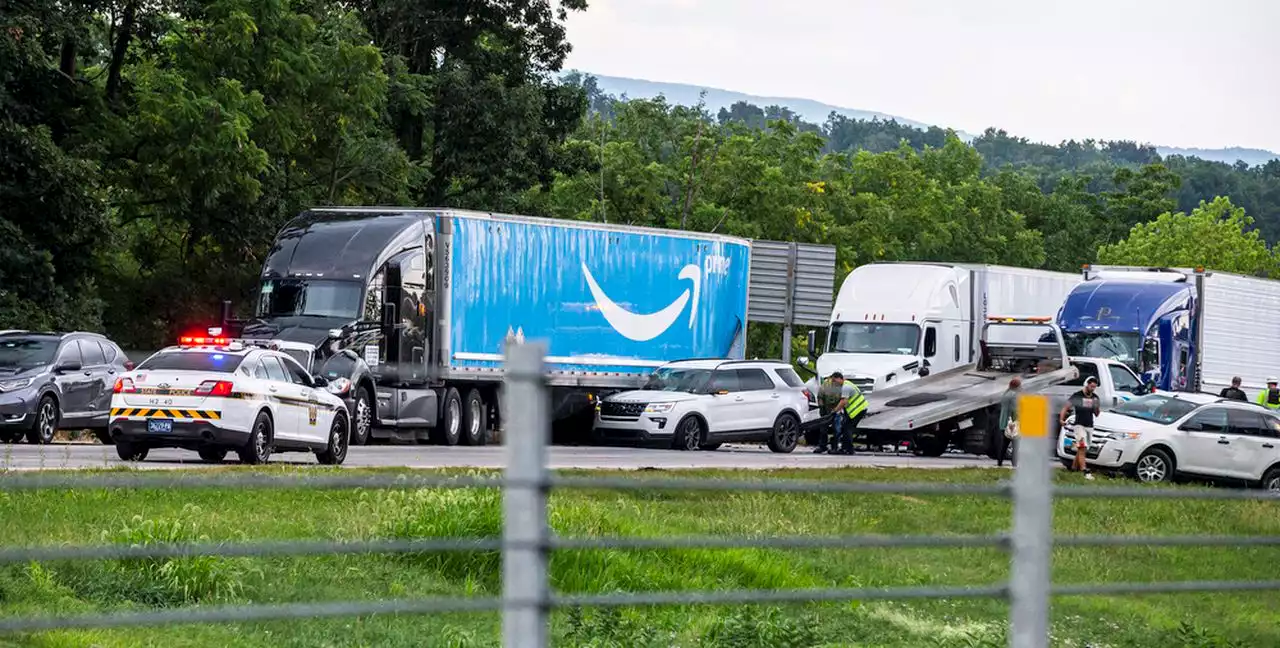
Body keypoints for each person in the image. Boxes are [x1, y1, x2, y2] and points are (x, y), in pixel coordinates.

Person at [1060, 375, 1102, 479]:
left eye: (1094, 387)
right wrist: (1062, 419)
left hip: (1089, 425)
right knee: (1082, 446)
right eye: (1091, 386)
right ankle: (1084, 470)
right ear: (1087, 385)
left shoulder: (1095, 397)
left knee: (1082, 449)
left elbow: (1097, 414)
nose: (1092, 389)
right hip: (1079, 425)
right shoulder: (1077, 395)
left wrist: (1096, 407)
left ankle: (1073, 468)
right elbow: (1066, 407)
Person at [813, 372, 848, 454]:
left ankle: (835, 447)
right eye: (833, 380)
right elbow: (820, 397)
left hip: (838, 409)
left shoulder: (844, 386)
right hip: (826, 409)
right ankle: (822, 446)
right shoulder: (826, 384)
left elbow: (844, 400)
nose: (833, 382)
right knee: (823, 429)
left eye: (835, 381)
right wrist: (822, 408)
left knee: (837, 429)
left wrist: (837, 410)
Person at [996, 377, 1021, 467]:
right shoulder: (1015, 395)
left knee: (1004, 444)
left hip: (1003, 422)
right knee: (1016, 444)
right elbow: (1015, 409)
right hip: (1012, 423)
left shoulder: (1006, 394)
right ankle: (1014, 463)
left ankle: (999, 462)